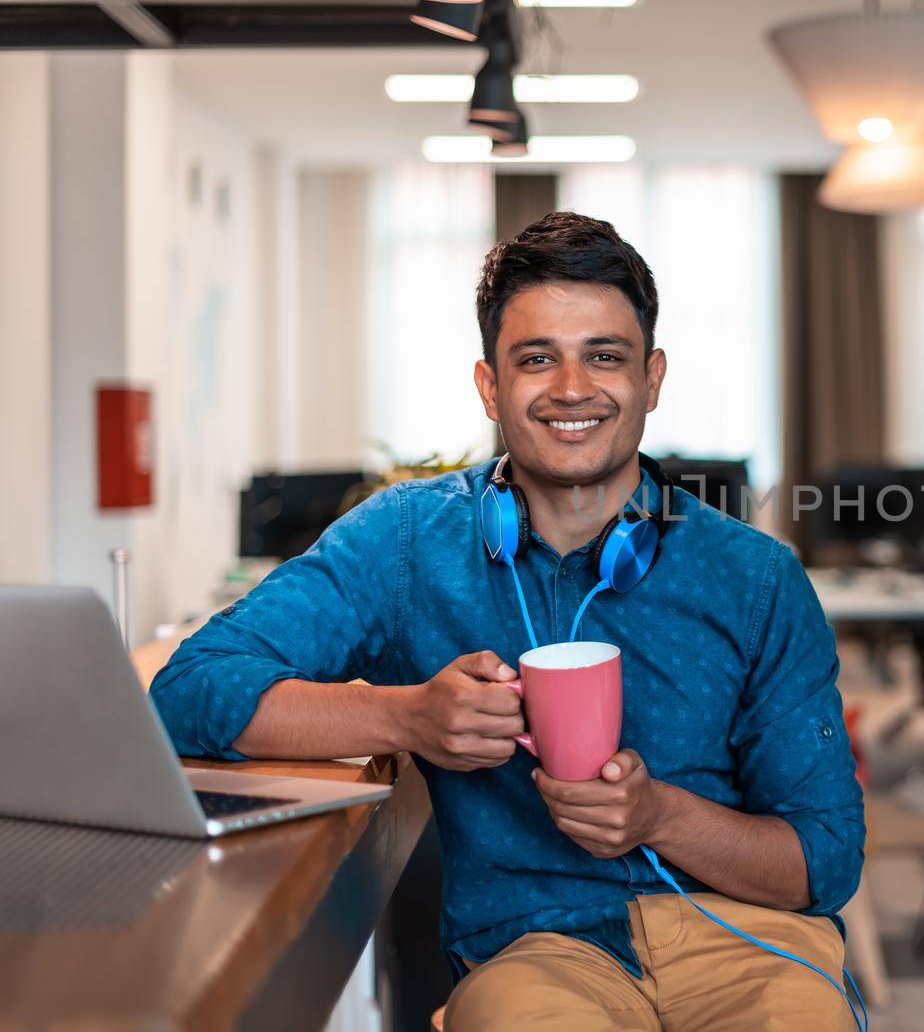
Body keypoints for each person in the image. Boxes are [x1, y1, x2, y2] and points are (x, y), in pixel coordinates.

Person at [150, 213, 865, 1031]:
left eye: (605, 355)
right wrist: (404, 715)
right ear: (491, 385)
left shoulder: (756, 576)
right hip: (536, 950)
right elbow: (186, 691)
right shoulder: (409, 540)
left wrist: (659, 814)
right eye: (536, 358)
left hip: (748, 940)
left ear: (652, 377)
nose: (571, 388)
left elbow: (825, 861)